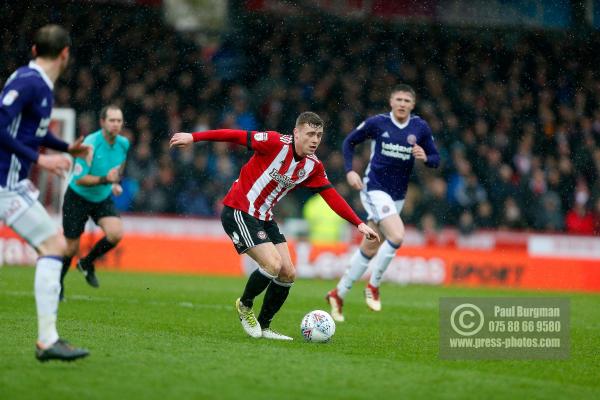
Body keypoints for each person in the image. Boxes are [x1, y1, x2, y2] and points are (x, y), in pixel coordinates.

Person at [170, 111, 379, 340]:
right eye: (310, 134)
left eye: (319, 135)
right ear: (296, 133)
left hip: (264, 217)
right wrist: (194, 137)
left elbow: (331, 196)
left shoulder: (313, 166)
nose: (315, 140)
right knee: (273, 264)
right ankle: (245, 305)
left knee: (288, 273)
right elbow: (236, 136)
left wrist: (358, 224)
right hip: (238, 210)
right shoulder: (274, 142)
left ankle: (264, 325)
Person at [0, 25, 91, 361]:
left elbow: (29, 132)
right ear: (65, 53)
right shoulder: (30, 82)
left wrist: (66, 147)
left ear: (35, 48)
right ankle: (47, 340)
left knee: (52, 246)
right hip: (5, 184)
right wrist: (40, 158)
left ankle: (48, 339)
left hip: (10, 184)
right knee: (54, 246)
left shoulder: (35, 81)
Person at [326, 84, 440, 322]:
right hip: (375, 189)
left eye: (406, 101)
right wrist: (350, 171)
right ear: (391, 101)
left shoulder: (419, 127)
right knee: (397, 236)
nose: (401, 104)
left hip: (398, 196)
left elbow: (436, 159)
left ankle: (338, 293)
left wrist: (426, 157)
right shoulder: (378, 123)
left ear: (412, 105)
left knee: (370, 246)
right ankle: (374, 285)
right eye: (398, 99)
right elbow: (349, 142)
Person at [60, 105, 129, 299]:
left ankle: (87, 263)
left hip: (101, 196)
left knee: (116, 233)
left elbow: (118, 168)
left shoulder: (124, 144)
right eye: (112, 120)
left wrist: (115, 182)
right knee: (71, 247)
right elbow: (80, 179)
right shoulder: (90, 144)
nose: (116, 124)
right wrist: (106, 180)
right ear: (102, 122)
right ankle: (58, 283)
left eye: (119, 121)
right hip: (77, 197)